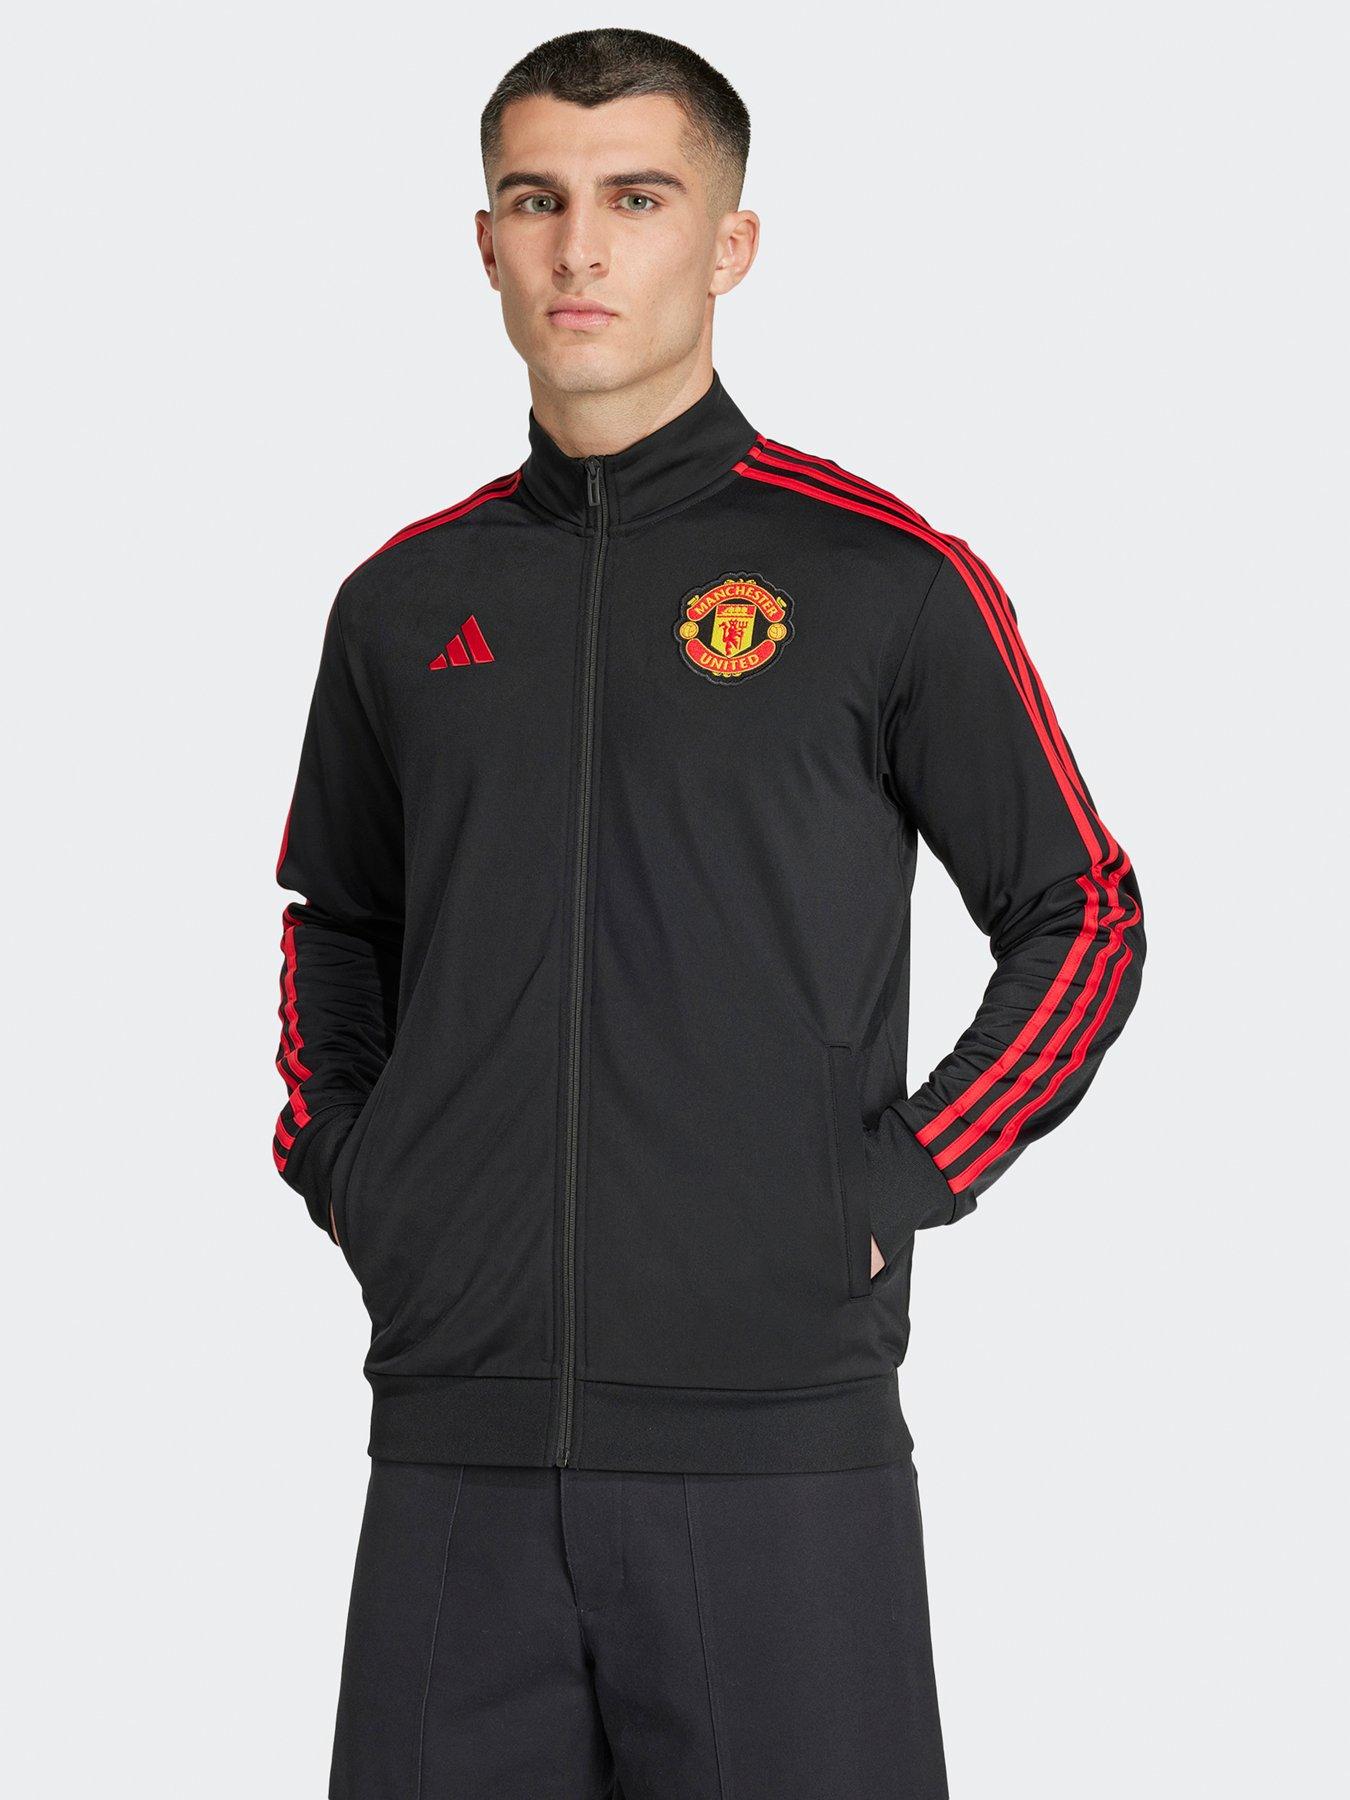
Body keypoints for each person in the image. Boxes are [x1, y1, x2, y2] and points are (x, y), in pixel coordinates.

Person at [271, 26, 1147, 1799]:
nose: (579, 249)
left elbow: (1083, 912)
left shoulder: (878, 577)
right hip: (455, 1442)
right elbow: (336, 920)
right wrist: (355, 1174)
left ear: (729, 243)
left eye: (637, 199)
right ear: (486, 242)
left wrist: (890, 1185)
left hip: (773, 1446)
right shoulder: (401, 605)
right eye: (538, 201)